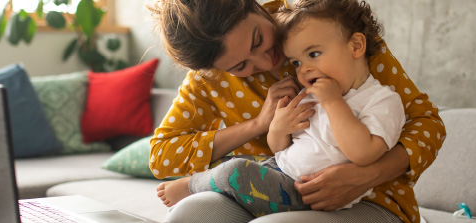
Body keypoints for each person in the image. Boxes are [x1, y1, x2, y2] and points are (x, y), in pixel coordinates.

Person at [147, 0, 446, 222]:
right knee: (186, 217)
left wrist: (365, 174)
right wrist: (260, 124)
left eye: (258, 40)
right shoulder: (207, 80)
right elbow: (161, 156)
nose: (264, 63)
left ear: (256, 6)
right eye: (241, 67)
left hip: (372, 195)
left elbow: (428, 124)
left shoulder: (323, 27)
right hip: (268, 184)